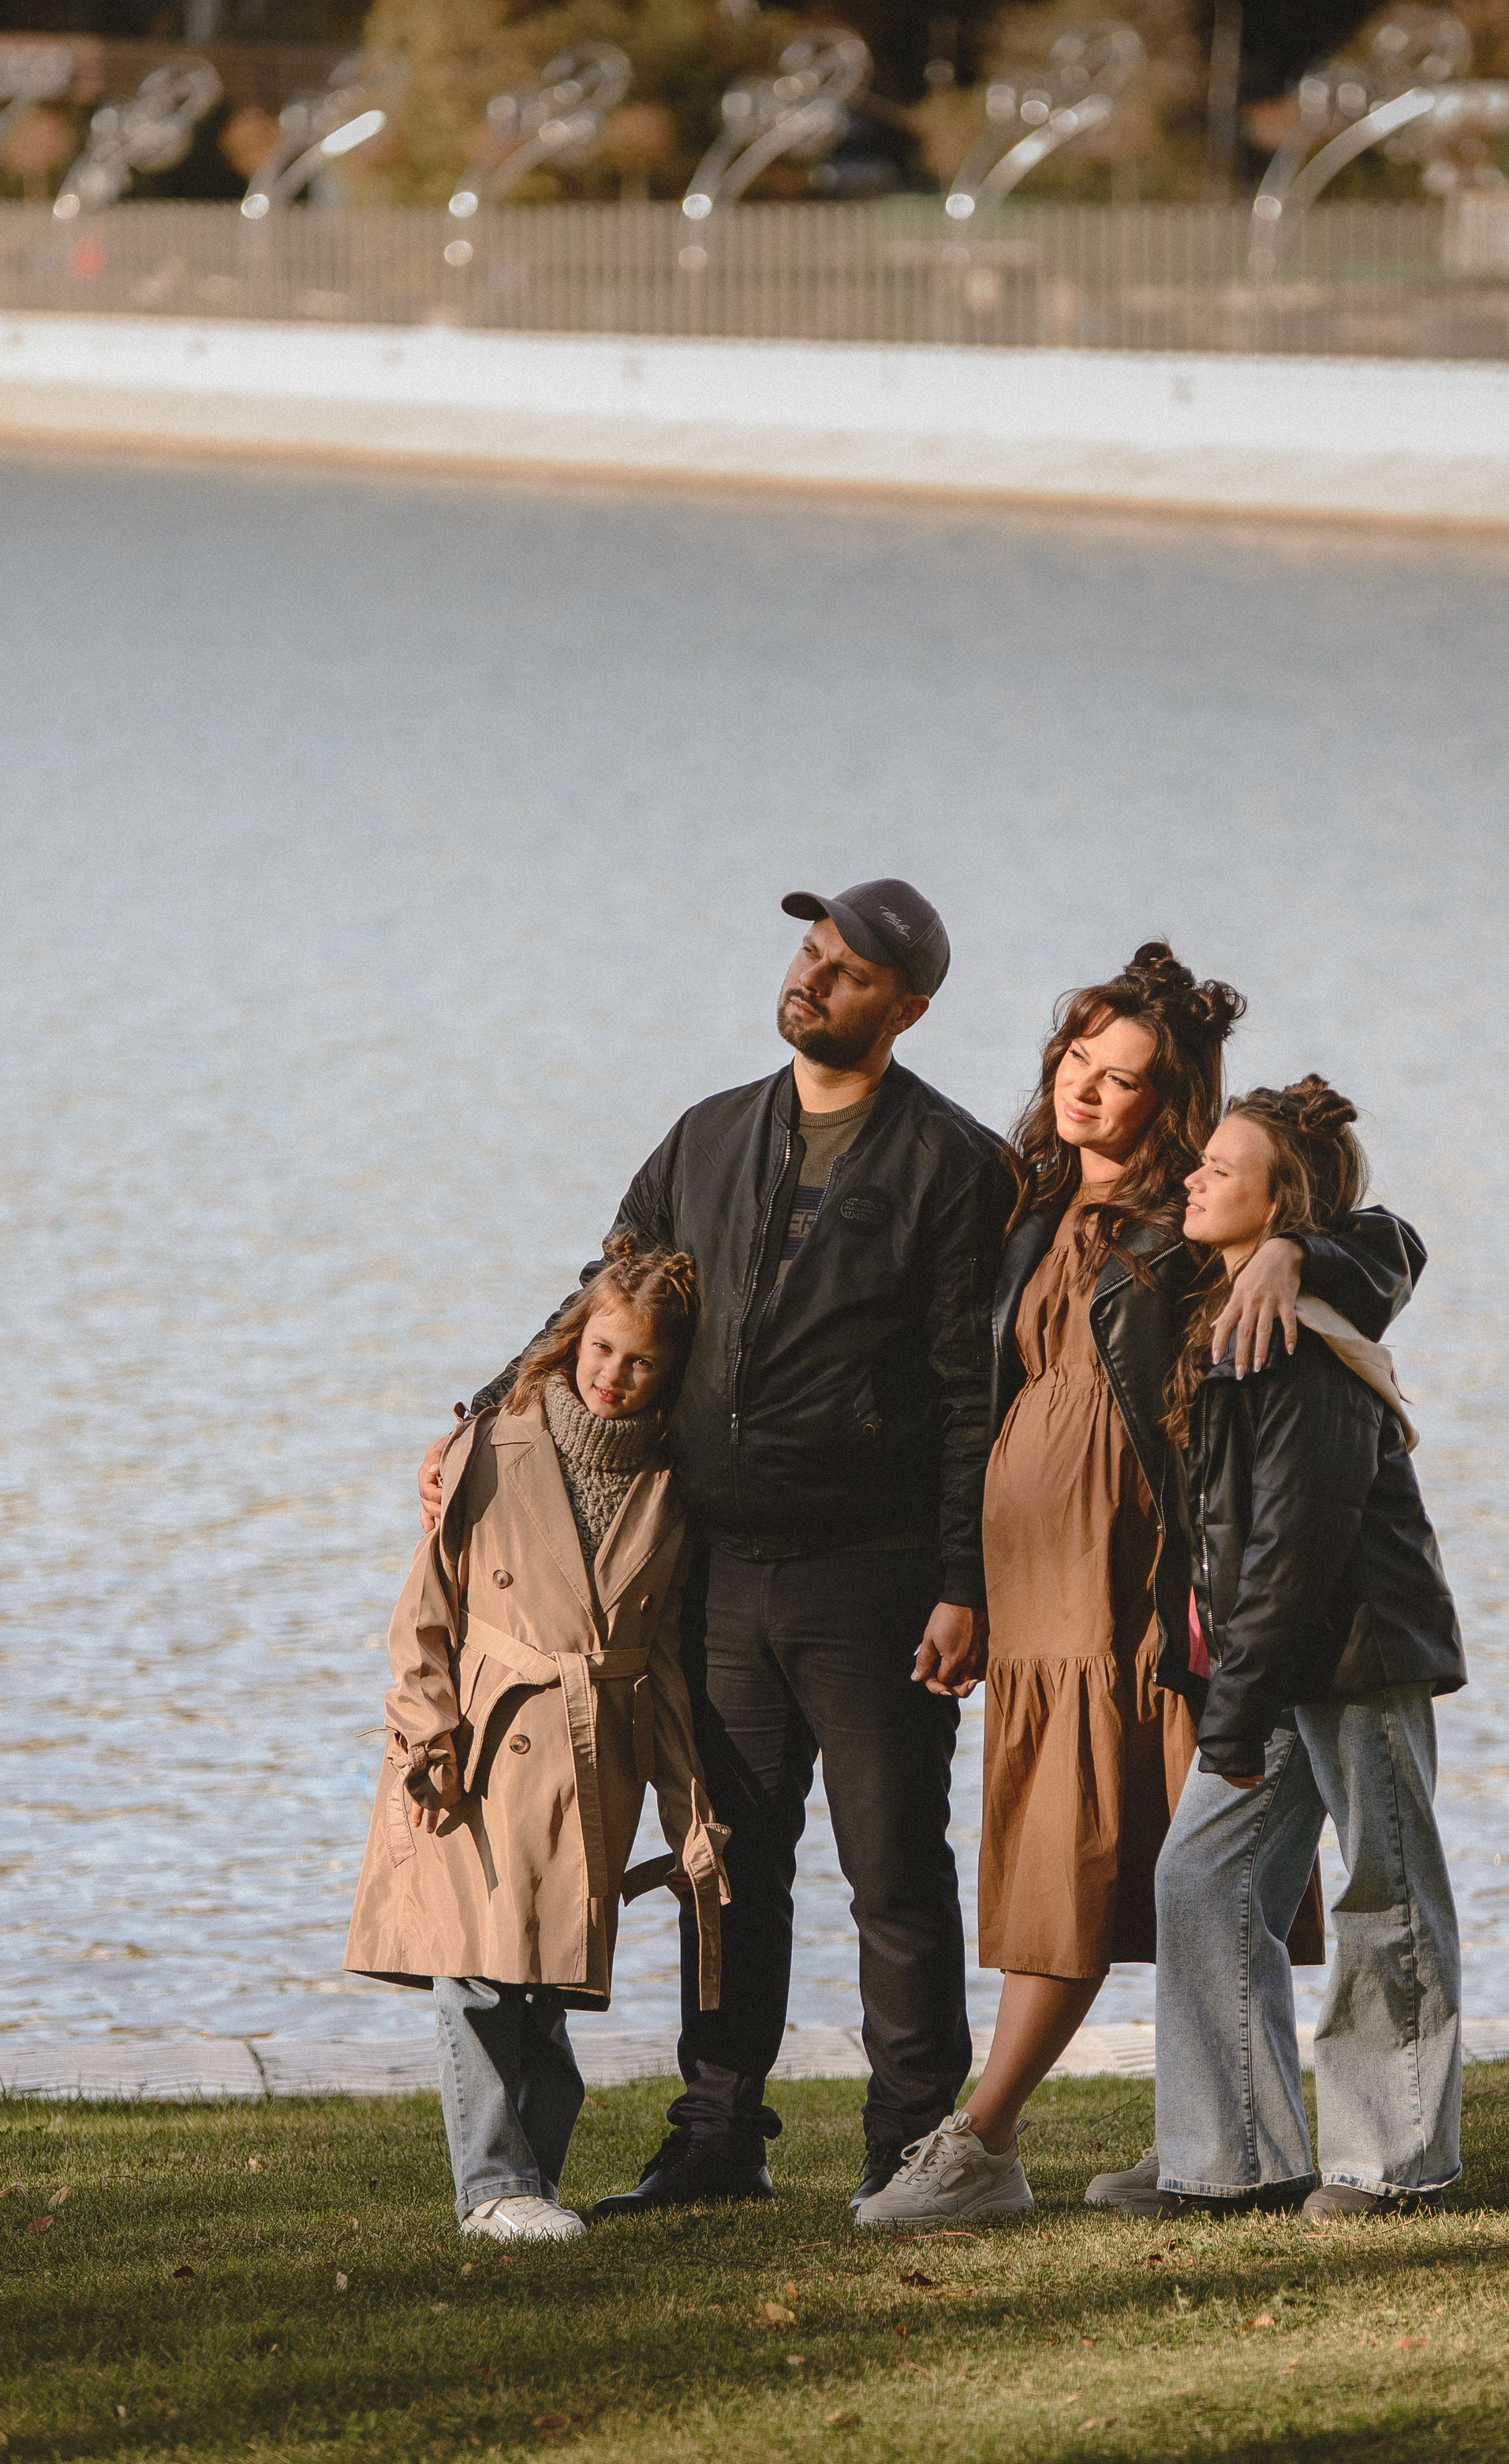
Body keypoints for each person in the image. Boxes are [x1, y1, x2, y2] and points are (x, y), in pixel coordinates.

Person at [419, 881, 1014, 2215]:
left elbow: (974, 1391)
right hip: (722, 1568)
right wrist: (479, 1415)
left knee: (895, 1871)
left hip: (873, 1571)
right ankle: (717, 2137)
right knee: (724, 1862)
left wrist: (963, 1582)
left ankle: (915, 2144)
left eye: (852, 971)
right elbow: (605, 1291)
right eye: (812, 952)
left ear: (907, 1008)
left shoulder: (953, 1164)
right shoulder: (708, 1136)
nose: (816, 978)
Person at [856, 948, 1429, 2233]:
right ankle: (1214, 2141)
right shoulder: (1021, 1202)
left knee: (1167, 1847)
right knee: (1101, 1857)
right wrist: (964, 1583)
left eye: (1121, 1078)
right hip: (1034, 1585)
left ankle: (990, 2132)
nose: (1086, 1089)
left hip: (1144, 1576)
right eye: (1076, 1060)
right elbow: (975, 1407)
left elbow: (1391, 1238)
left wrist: (1301, 1257)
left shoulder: (1207, 1207)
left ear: (1169, 1104)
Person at [348, 1243, 724, 2241]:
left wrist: (689, 1808)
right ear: (571, 1340)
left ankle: (529, 2187)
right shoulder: (496, 1443)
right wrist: (426, 1735)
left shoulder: (676, 1481)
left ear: (671, 1370)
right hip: (483, 1736)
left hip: (599, 1748)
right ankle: (491, 2191)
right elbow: (424, 1609)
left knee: (546, 1986)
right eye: (602, 1348)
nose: (614, 1374)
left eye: (642, 1362)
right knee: (475, 1971)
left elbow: (673, 1652)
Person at [1147, 1076, 1466, 2222]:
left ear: (1285, 1209)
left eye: (1220, 1169)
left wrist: (1230, 1713)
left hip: (1353, 1659)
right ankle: (1235, 2157)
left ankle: (1395, 2162)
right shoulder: (1224, 1310)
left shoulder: (1296, 1332)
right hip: (1271, 1662)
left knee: (1386, 1894)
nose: (1192, 1178)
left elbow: (1296, 1546)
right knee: (1198, 1876)